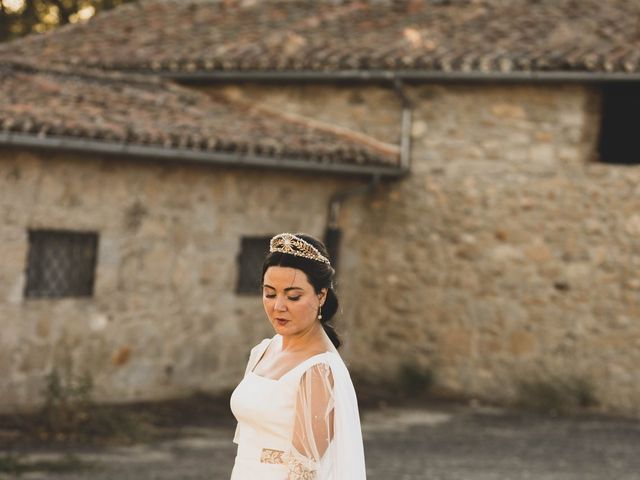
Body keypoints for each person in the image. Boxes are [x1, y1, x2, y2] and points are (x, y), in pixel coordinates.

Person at [230, 232, 367, 480]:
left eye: (293, 296)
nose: (278, 306)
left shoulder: (319, 370)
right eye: (270, 293)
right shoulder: (263, 351)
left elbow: (304, 470)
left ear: (321, 295)